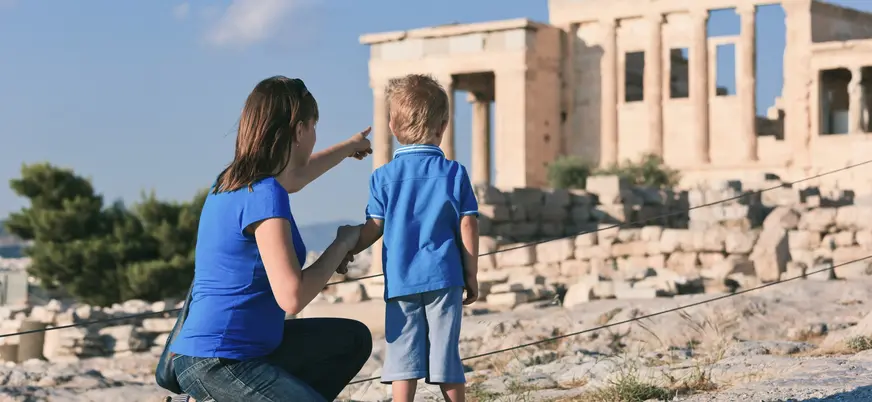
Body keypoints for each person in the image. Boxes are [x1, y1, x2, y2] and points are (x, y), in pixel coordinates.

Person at [168, 75, 374, 402]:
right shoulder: (264, 196)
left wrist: (350, 147)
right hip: (218, 360)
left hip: (249, 350)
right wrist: (341, 244)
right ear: (299, 131)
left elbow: (296, 176)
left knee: (353, 339)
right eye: (314, 126)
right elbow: (292, 297)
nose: (315, 136)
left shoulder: (233, 182)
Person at [346, 74, 480, 402]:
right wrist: (471, 274)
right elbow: (468, 227)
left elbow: (372, 227)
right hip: (444, 277)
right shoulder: (455, 173)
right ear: (444, 126)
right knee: (447, 356)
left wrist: (347, 250)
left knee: (402, 360)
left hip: (401, 281)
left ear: (392, 126)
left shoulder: (382, 177)